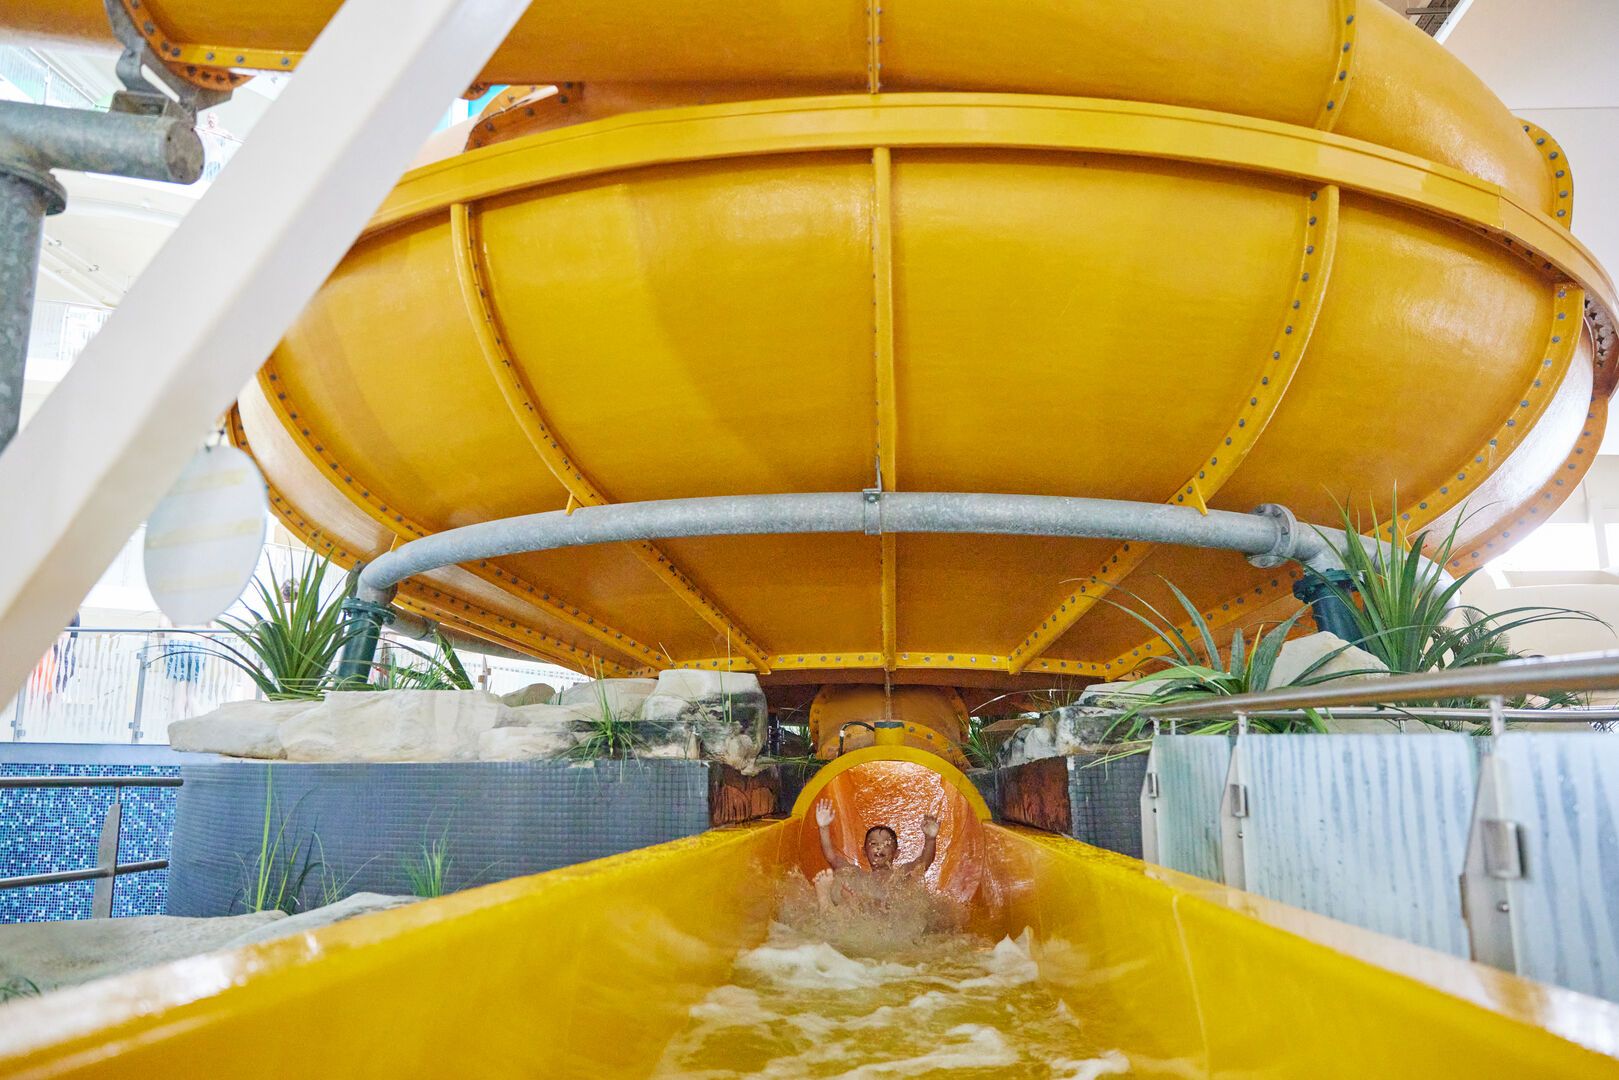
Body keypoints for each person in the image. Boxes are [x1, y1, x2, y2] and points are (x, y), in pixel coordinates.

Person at [812, 798, 939, 912]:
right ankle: (832, 903)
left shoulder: (901, 874)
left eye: (887, 844)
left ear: (896, 854)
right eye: (873, 844)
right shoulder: (858, 874)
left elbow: (924, 862)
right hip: (866, 921)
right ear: (864, 852)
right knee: (852, 906)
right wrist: (823, 828)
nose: (880, 847)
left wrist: (930, 839)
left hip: (892, 921)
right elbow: (831, 857)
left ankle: (844, 903)